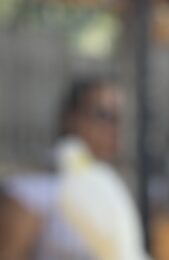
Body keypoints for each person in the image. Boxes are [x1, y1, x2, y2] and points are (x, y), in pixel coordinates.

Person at [0, 78, 147, 260]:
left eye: (119, 118)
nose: (114, 127)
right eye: (104, 115)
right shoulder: (30, 193)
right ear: (71, 118)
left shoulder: (111, 184)